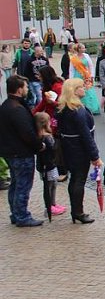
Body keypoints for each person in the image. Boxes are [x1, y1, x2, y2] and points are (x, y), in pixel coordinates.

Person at [56, 78, 102, 225]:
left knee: (75, 179)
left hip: (68, 148)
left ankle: (75, 210)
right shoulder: (78, 111)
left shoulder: (64, 107)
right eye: (81, 87)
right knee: (79, 180)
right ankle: (78, 212)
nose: (84, 89)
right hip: (79, 150)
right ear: (74, 91)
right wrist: (95, 156)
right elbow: (86, 135)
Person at [0, 75, 44, 227]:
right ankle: (22, 216)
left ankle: (16, 213)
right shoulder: (16, 109)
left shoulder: (6, 105)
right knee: (23, 186)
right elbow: (27, 134)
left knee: (16, 183)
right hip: (20, 153)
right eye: (25, 87)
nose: (27, 89)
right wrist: (39, 146)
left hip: (10, 152)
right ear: (19, 90)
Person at [34, 112, 65, 219]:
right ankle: (49, 207)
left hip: (47, 165)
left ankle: (53, 204)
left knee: (53, 185)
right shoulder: (46, 137)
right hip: (48, 166)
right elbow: (52, 150)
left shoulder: (39, 136)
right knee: (49, 186)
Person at [68, 43, 100, 114]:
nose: (84, 49)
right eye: (82, 48)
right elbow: (71, 70)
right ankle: (81, 107)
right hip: (77, 77)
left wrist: (92, 75)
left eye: (84, 48)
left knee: (89, 91)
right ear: (78, 49)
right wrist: (71, 79)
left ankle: (92, 108)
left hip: (86, 76)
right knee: (79, 91)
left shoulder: (86, 56)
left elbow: (91, 66)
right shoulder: (73, 58)